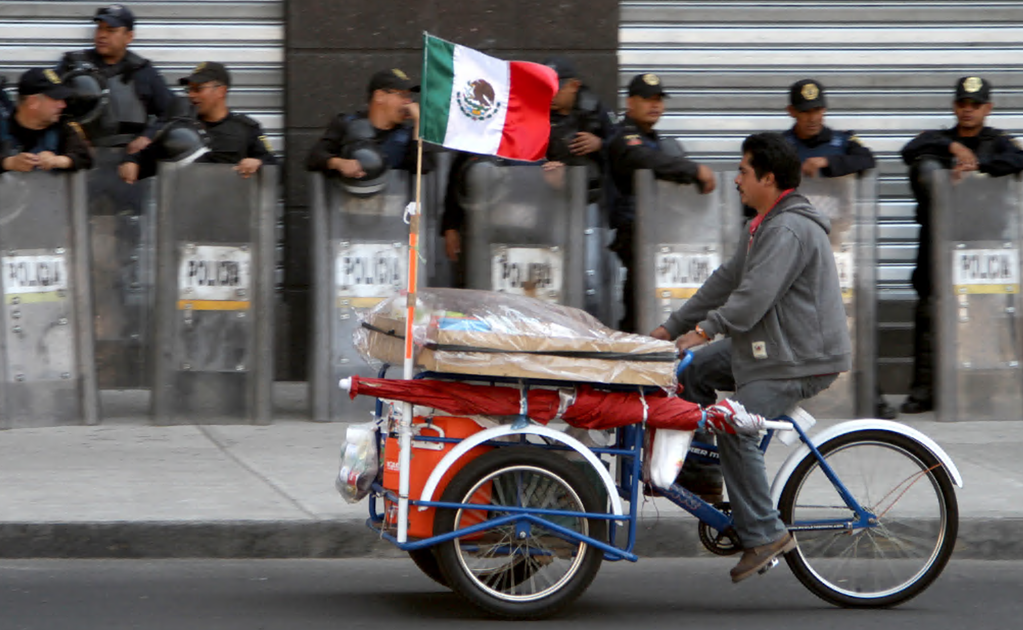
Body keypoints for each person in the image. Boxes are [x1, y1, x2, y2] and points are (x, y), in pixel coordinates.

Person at [650, 132, 850, 582]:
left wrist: (703, 331)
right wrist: (671, 329)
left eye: (743, 171)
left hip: (798, 358)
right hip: (769, 347)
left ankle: (764, 535)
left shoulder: (788, 229)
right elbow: (725, 282)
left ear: (768, 177)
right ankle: (704, 476)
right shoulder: (762, 225)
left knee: (734, 426)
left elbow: (753, 298)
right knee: (694, 371)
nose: (736, 180)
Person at [899, 76, 1023, 413]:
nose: (968, 111)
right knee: (930, 312)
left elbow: (1016, 161)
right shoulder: (939, 139)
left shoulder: (999, 143)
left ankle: (978, 388)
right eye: (963, 104)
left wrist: (978, 166)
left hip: (981, 242)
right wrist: (954, 149)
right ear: (955, 106)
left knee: (982, 315)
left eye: (976, 105)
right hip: (938, 243)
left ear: (988, 108)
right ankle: (924, 390)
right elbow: (910, 150)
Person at [782, 79, 897, 420]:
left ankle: (870, 395)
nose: (812, 117)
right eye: (804, 112)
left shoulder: (842, 142)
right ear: (792, 113)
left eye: (817, 110)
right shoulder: (780, 146)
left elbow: (866, 160)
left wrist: (826, 167)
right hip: (795, 249)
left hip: (837, 246)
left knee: (854, 320)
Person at [607, 72, 716, 335]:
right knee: (639, 307)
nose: (655, 105)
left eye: (658, 99)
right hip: (636, 234)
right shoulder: (625, 138)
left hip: (662, 235)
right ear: (630, 103)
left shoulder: (659, 141)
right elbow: (644, 159)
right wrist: (693, 170)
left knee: (660, 304)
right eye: (647, 99)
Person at [118, 62, 276, 183]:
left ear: (221, 91)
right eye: (189, 90)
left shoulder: (246, 128)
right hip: (186, 217)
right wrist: (131, 162)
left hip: (231, 215)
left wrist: (257, 163)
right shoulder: (180, 129)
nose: (192, 95)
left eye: (198, 89)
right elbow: (144, 158)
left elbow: (274, 166)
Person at [56, 4, 174, 152]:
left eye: (111, 30)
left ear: (129, 37)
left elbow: (171, 113)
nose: (102, 35)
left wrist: (148, 137)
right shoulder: (72, 64)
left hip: (126, 158)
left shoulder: (142, 70)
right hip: (77, 156)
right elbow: (48, 105)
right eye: (99, 28)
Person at [306, 68, 433, 185]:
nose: (408, 102)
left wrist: (418, 124)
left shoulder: (406, 135)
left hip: (392, 204)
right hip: (346, 204)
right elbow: (314, 157)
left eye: (409, 97)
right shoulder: (347, 124)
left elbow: (422, 169)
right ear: (380, 96)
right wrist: (338, 163)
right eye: (403, 95)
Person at [0, 68, 93, 174]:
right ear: (33, 102)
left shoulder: (63, 126)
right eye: (56, 99)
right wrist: (9, 163)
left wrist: (58, 161)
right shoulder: (4, 124)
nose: (62, 105)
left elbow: (85, 157)